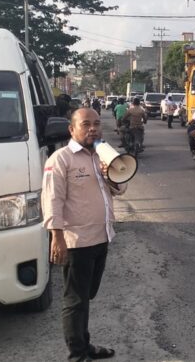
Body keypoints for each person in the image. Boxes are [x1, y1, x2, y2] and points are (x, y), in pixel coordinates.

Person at [42, 107, 126, 362]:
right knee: (75, 299)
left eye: (97, 124)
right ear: (72, 129)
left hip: (101, 237)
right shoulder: (61, 159)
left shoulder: (101, 155)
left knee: (87, 296)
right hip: (77, 243)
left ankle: (84, 344)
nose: (93, 128)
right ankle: (77, 354)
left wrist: (108, 174)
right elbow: (52, 200)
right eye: (86, 124)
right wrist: (56, 237)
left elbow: (120, 189)